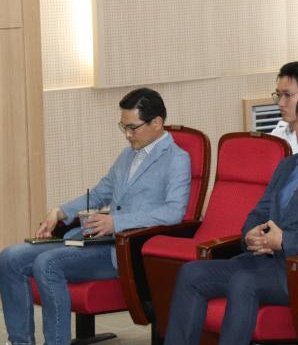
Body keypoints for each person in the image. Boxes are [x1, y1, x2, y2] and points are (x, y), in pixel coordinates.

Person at [164, 91, 298, 344]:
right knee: (191, 273)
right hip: (261, 260)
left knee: (244, 282)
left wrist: (285, 240)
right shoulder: (288, 165)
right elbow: (260, 211)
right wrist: (251, 234)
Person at [0, 88, 191, 345]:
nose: (127, 134)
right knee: (10, 257)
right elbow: (100, 193)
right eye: (123, 127)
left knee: (48, 263)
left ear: (156, 123)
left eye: (132, 127)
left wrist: (116, 222)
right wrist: (60, 211)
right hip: (95, 239)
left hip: (124, 250)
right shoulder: (128, 155)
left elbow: (173, 212)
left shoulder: (177, 159)